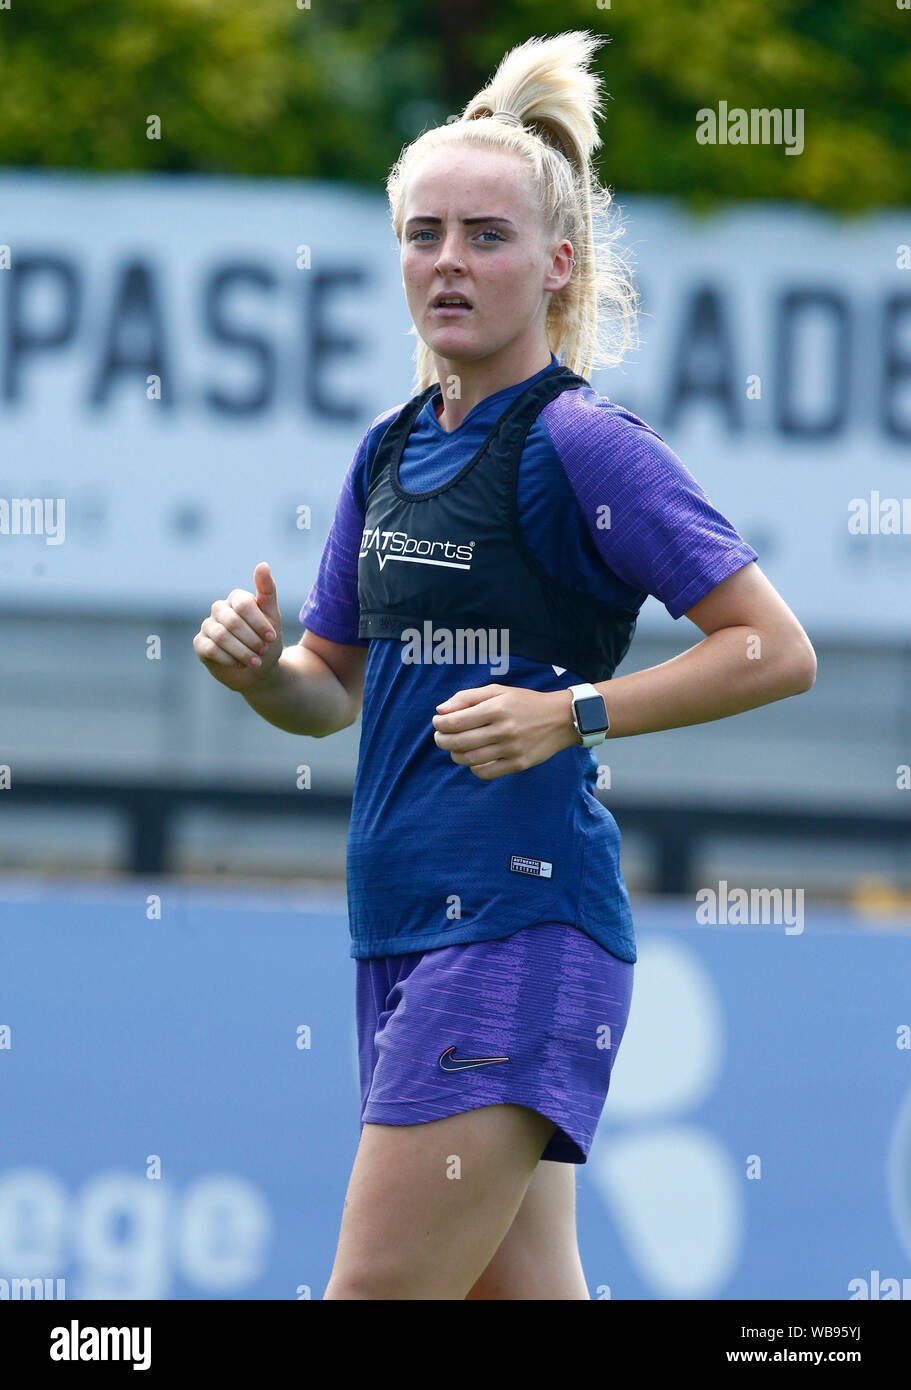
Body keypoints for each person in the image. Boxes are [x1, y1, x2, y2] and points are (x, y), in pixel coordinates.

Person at [193, 30, 816, 1300]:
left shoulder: (586, 444)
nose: (448, 263)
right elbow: (331, 686)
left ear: (557, 265)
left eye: (485, 236)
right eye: (423, 234)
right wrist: (261, 673)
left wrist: (570, 713)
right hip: (399, 924)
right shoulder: (385, 449)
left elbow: (772, 649)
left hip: (518, 924)